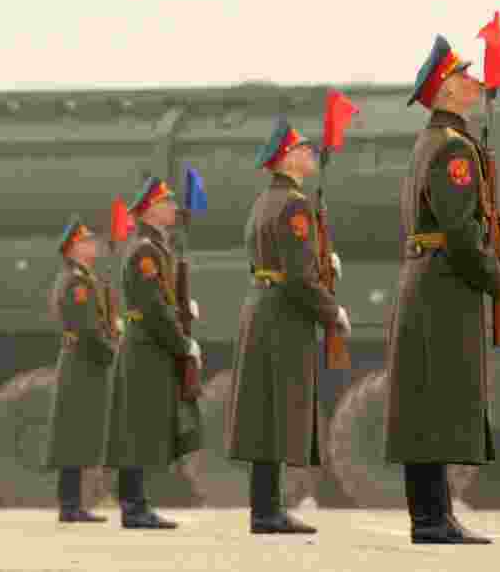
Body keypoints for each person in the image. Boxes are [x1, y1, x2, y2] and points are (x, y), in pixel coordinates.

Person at [384, 34, 500, 544]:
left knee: (428, 401)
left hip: (430, 277)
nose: (476, 82)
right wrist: (494, 273)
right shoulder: (453, 149)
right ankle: (432, 519)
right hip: (444, 281)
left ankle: (433, 516)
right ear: (444, 90)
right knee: (436, 400)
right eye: (465, 75)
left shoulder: (433, 143)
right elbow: (459, 234)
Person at [226, 117, 350, 535]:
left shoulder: (264, 201)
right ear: (288, 157)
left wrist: (318, 261)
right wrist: (331, 310)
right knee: (280, 410)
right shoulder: (295, 204)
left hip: (262, 306)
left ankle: (265, 510)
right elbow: (297, 274)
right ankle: (268, 512)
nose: (311, 153)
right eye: (304, 148)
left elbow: (272, 259)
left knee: (265, 412)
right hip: (283, 315)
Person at [104, 177, 204, 529]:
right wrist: (183, 344)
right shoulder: (146, 250)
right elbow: (153, 308)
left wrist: (182, 306)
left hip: (149, 344)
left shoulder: (157, 247)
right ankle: (134, 507)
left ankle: (135, 504)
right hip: (146, 345)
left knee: (141, 427)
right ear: (151, 209)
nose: (175, 208)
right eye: (168, 203)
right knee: (138, 429)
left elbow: (162, 299)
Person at [43, 216, 118, 523]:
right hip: (81, 362)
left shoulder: (84, 278)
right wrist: (112, 352)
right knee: (74, 434)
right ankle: (70, 505)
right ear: (73, 249)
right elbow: (87, 328)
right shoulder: (76, 282)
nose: (94, 246)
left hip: (84, 361)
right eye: (87, 242)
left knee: (80, 434)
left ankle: (74, 504)